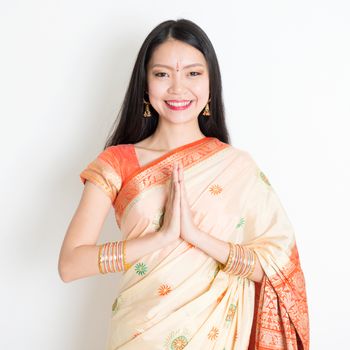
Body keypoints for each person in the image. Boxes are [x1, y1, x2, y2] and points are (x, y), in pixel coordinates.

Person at [58, 18, 310, 350]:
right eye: (162, 74)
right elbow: (70, 265)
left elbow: (278, 269)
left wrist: (197, 237)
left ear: (210, 84)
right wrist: (160, 238)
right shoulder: (117, 162)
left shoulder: (237, 167)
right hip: (139, 334)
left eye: (193, 73)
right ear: (145, 85)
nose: (178, 88)